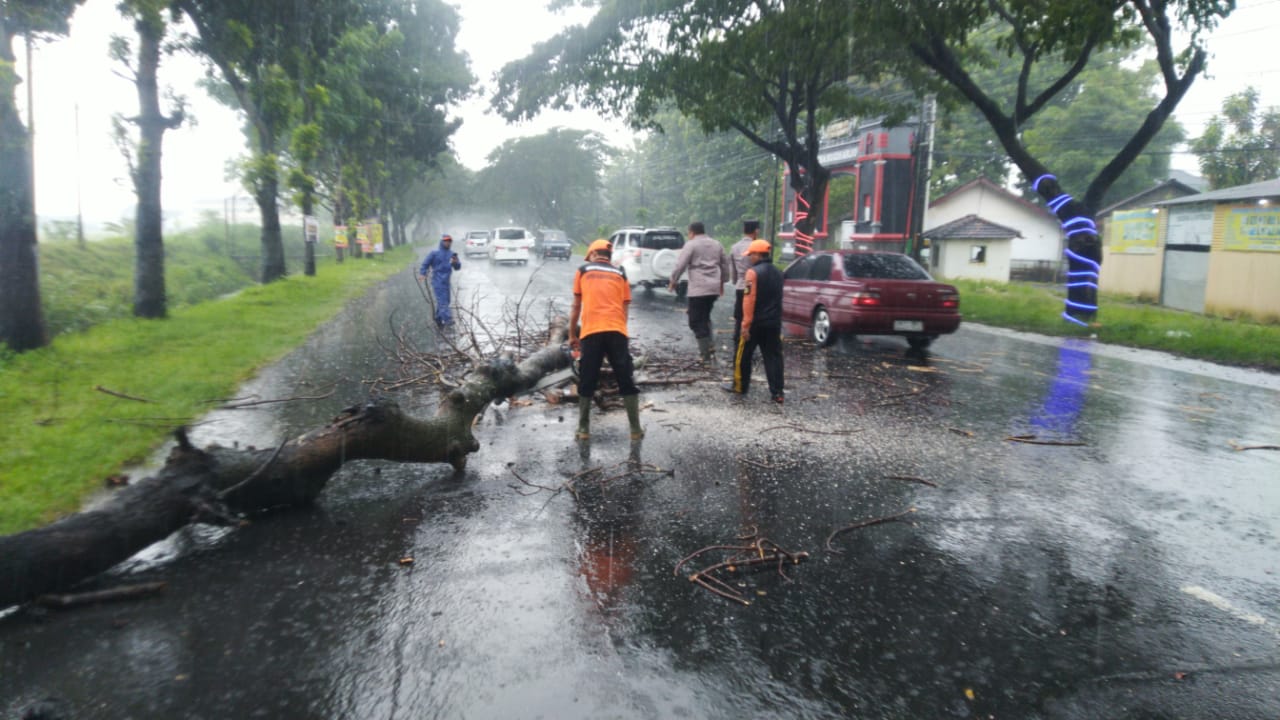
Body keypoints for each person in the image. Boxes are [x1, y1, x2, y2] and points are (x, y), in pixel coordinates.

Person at [569, 239, 644, 441]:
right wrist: (620, 329)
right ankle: (635, 430)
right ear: (608, 256)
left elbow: (576, 306)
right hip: (616, 330)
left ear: (593, 254)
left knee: (588, 378)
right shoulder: (620, 273)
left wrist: (572, 335)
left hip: (591, 331)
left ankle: (583, 430)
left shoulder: (583, 270)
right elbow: (625, 306)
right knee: (625, 377)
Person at [724, 239, 784, 403]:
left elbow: (749, 300)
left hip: (755, 324)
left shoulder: (753, 273)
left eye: (751, 254)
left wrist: (745, 325)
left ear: (758, 254)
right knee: (773, 357)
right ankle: (777, 392)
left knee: (743, 355)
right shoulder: (778, 272)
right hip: (773, 323)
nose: (749, 257)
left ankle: (740, 386)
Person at [667, 221, 729, 364]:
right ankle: (710, 346)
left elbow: (680, 264)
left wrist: (673, 280)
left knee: (695, 321)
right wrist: (723, 281)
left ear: (692, 232)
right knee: (704, 316)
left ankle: (705, 355)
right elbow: (724, 264)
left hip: (699, 289)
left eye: (688, 233)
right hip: (713, 288)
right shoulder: (716, 244)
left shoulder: (691, 244)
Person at [728, 220, 760, 353]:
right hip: (756, 287)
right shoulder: (758, 246)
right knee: (754, 317)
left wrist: (736, 281)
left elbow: (733, 273)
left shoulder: (735, 247)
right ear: (756, 231)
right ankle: (752, 347)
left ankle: (738, 345)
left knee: (740, 317)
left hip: (741, 286)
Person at [419, 233, 462, 327]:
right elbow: (425, 264)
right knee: (443, 302)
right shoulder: (434, 253)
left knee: (446, 300)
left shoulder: (452, 254)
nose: (448, 243)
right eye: (446, 241)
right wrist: (422, 273)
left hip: (447, 282)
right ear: (442, 241)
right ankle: (448, 319)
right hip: (437, 281)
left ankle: (438, 318)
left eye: (450, 241)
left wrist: (455, 262)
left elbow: (458, 267)